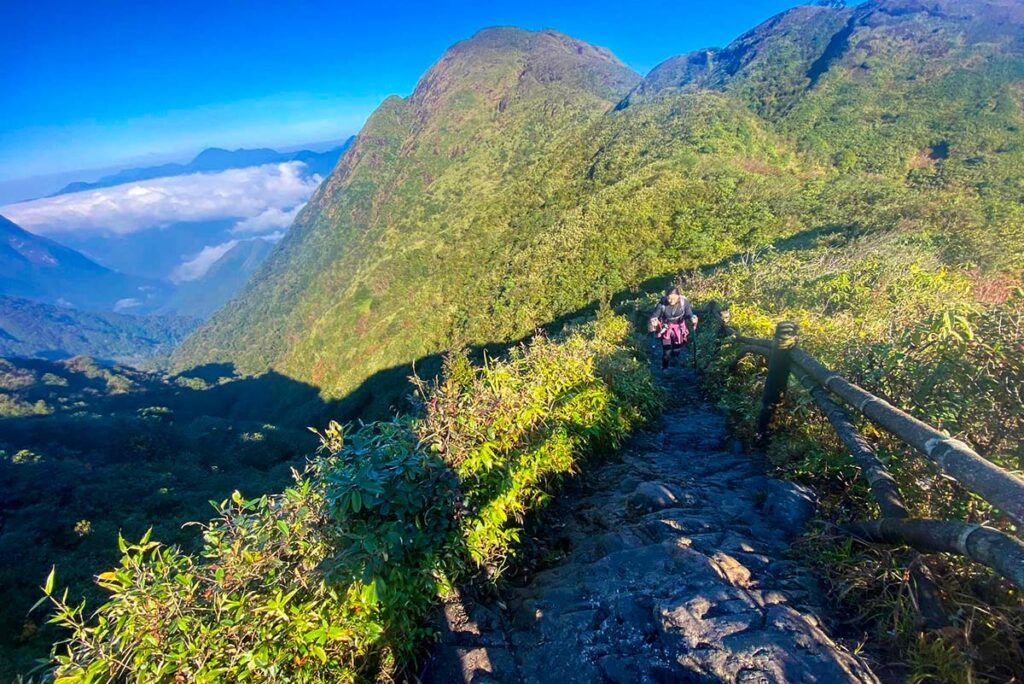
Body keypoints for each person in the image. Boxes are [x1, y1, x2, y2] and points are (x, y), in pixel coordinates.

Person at [649, 286, 698, 370]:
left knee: (677, 349)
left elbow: (689, 313)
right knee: (666, 351)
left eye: (674, 298)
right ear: (666, 297)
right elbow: (655, 315)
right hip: (666, 328)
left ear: (678, 296)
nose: (671, 301)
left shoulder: (683, 302)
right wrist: (653, 320)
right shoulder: (662, 303)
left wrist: (692, 317)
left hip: (679, 328)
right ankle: (665, 368)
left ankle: (674, 361)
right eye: (669, 298)